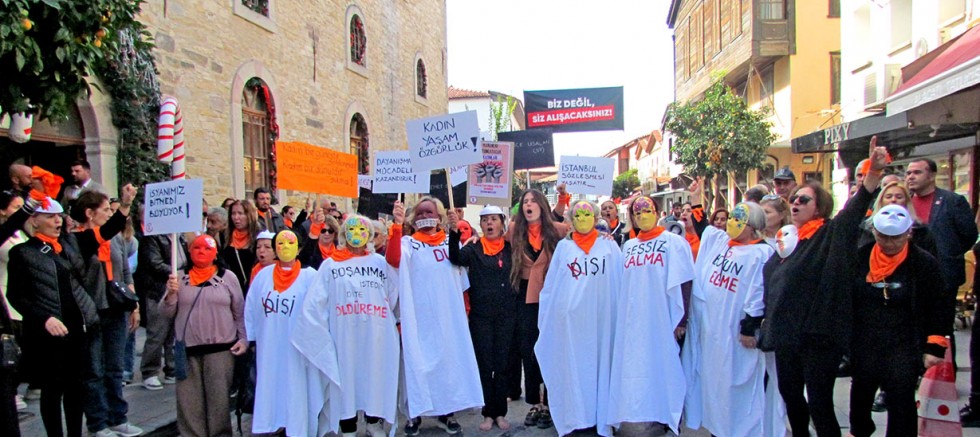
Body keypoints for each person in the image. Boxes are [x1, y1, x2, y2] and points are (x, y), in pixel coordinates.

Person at [760, 139, 887, 437]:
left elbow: (854, 211)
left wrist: (872, 174)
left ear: (820, 207)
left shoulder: (831, 233)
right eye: (794, 199)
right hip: (787, 335)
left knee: (819, 403)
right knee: (791, 398)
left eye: (804, 199)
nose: (796, 203)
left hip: (818, 336)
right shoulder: (789, 241)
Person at [846, 204, 951, 436]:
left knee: (901, 399)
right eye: (883, 236)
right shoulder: (860, 258)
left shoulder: (924, 263)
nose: (889, 243)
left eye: (895, 238)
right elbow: (847, 300)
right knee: (860, 397)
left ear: (908, 234)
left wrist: (933, 347)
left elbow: (939, 306)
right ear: (874, 232)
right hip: (866, 341)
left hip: (903, 342)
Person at [294, 215, 399, 437]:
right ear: (343, 233)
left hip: (375, 333)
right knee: (346, 378)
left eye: (363, 229)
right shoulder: (331, 265)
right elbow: (316, 301)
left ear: (370, 235)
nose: (357, 234)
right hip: (343, 334)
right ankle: (348, 425)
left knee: (375, 374)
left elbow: (393, 293)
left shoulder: (380, 263)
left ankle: (374, 421)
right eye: (352, 229)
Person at [386, 198, 482, 435]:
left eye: (428, 212)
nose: (423, 216)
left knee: (447, 365)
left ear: (439, 216)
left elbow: (462, 282)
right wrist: (397, 225)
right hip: (418, 316)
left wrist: (454, 228)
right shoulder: (409, 243)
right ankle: (415, 414)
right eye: (419, 213)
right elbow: (394, 260)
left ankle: (446, 413)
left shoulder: (450, 244)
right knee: (417, 363)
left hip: (448, 317)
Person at [8, 196, 99, 437]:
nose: (57, 221)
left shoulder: (67, 247)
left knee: (76, 388)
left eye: (59, 216)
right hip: (47, 331)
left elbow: (101, 237)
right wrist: (44, 318)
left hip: (76, 326)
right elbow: (16, 296)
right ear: (35, 221)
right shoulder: (23, 252)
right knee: (52, 388)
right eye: (50, 216)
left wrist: (124, 205)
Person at [682, 202, 775, 437]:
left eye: (738, 220)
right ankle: (718, 429)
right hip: (714, 333)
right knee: (716, 386)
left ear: (753, 227)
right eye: (732, 217)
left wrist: (749, 327)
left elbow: (758, 293)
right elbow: (705, 227)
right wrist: (695, 200)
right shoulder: (723, 245)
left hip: (737, 336)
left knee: (736, 387)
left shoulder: (761, 253)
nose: (731, 223)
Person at [607, 196, 693, 436]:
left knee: (664, 364)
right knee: (640, 366)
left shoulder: (674, 243)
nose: (642, 215)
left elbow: (684, 281)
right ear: (632, 217)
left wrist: (681, 320)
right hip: (635, 320)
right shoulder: (629, 246)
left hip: (662, 318)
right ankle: (643, 412)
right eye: (637, 212)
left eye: (647, 210)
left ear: (657, 212)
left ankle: (666, 414)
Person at [535, 200, 622, 437]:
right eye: (578, 215)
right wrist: (555, 316)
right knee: (574, 370)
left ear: (595, 218)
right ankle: (576, 417)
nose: (583, 219)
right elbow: (553, 286)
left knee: (600, 369)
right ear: (571, 220)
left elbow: (619, 283)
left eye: (588, 214)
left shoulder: (609, 246)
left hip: (601, 323)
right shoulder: (564, 248)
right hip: (572, 326)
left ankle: (600, 416)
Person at [69, 186, 143, 437]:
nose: (107, 215)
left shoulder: (112, 240)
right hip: (92, 311)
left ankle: (117, 417)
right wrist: (125, 204)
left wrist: (133, 304)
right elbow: (109, 229)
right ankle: (98, 422)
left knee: (115, 366)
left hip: (115, 308)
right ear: (90, 213)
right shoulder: (77, 240)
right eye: (103, 210)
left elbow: (124, 270)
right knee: (94, 370)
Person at [162, 235, 248, 437]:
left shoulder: (228, 278)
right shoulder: (178, 278)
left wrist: (243, 338)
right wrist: (171, 295)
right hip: (188, 349)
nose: (201, 252)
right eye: (196, 248)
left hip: (220, 350)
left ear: (216, 252)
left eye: (206, 248)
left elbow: (240, 311)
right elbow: (165, 314)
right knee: (189, 403)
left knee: (219, 402)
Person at [245, 230, 322, 436]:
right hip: (270, 346)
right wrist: (250, 338)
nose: (285, 247)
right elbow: (251, 307)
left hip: (299, 348)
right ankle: (276, 425)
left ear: (299, 248)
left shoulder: (310, 276)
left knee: (297, 389)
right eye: (280, 243)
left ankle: (299, 427)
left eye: (290, 243)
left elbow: (321, 309)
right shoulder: (262, 276)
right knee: (273, 387)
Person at [448, 205, 517, 431]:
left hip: (506, 315)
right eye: (485, 220)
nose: (489, 223)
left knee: (502, 364)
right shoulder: (474, 248)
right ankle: (488, 412)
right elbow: (455, 258)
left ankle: (500, 412)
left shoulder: (510, 248)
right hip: (482, 317)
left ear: (502, 223)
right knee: (485, 364)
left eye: (494, 219)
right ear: (480, 224)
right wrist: (453, 230)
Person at [906, 158, 977, 367]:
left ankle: (945, 373)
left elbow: (969, 235)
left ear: (932, 175)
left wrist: (950, 254)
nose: (911, 177)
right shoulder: (904, 202)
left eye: (917, 172)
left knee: (942, 325)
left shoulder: (951, 201)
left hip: (943, 274)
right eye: (909, 173)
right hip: (911, 275)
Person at [508, 188, 569, 429]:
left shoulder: (559, 230)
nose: (528, 205)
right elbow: (492, 243)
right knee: (530, 351)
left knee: (552, 349)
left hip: (552, 296)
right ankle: (536, 402)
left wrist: (603, 235)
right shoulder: (514, 230)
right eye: (525, 202)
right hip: (524, 297)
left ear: (542, 205)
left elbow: (585, 237)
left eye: (533, 201)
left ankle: (552, 402)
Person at [137, 232, 188, 391]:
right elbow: (154, 263)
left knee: (173, 333)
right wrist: (176, 272)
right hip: (159, 290)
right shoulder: (153, 237)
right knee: (157, 333)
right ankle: (149, 371)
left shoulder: (180, 235)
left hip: (178, 286)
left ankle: (171, 368)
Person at [222, 200, 259, 293]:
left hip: (252, 287)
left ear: (249, 215)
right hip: (230, 288)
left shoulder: (259, 237)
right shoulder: (224, 236)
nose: (236, 217)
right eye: (233, 213)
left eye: (240, 213)